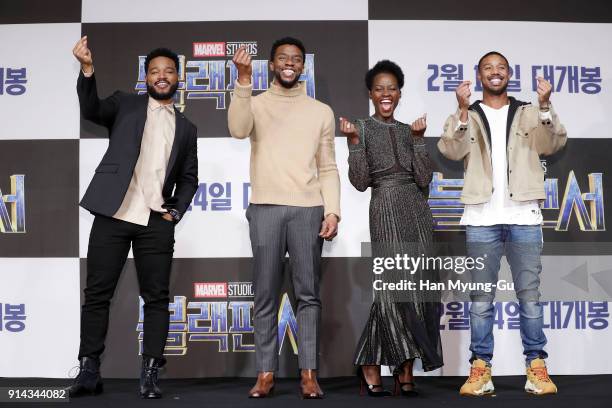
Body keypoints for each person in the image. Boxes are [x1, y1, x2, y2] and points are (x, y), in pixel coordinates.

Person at [68, 36, 198, 399]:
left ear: (177, 78)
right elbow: (92, 110)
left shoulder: (187, 128)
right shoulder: (125, 104)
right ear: (146, 77)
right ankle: (89, 370)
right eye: (155, 71)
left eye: (169, 71)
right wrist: (88, 70)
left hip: (156, 220)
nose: (162, 76)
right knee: (96, 294)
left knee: (156, 297)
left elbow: (189, 178)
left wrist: (175, 211)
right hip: (114, 212)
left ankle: (151, 373)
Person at [437, 51, 567, 396]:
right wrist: (463, 112)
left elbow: (553, 143)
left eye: (501, 68)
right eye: (488, 68)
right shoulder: (469, 113)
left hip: (523, 215)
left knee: (530, 298)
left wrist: (544, 105)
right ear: (479, 76)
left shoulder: (528, 110)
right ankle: (481, 370)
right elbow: (450, 150)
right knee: (481, 299)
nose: (495, 73)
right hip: (482, 218)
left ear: (509, 74)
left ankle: (536, 368)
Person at [228, 37, 340, 399]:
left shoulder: (320, 111)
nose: (289, 63)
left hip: (308, 210)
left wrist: (333, 210)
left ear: (303, 66)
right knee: (264, 294)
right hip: (265, 209)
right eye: (282, 58)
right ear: (272, 65)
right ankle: (265, 373)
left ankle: (309, 373)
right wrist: (243, 81)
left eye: (295, 59)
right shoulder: (256, 104)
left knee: (308, 295)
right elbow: (237, 128)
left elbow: (327, 167)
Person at [340, 60, 443, 397]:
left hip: (416, 211)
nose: (386, 93)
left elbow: (425, 179)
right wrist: (354, 142)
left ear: (400, 93)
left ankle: (396, 364)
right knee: (392, 288)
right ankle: (390, 364)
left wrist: (418, 140)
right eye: (379, 88)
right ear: (371, 94)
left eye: (392, 88)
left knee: (419, 289)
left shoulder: (407, 129)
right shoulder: (361, 127)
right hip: (384, 206)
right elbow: (359, 182)